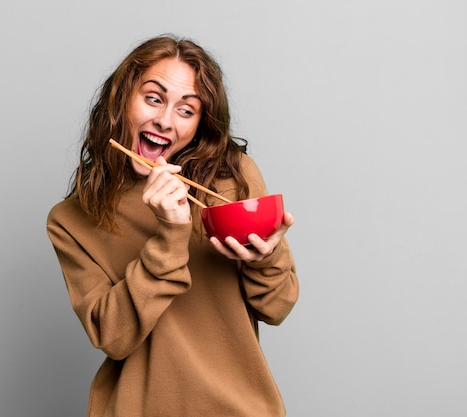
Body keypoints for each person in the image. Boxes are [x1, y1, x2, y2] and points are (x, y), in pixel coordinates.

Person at [46, 34, 299, 417]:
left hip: (241, 408)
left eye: (186, 110)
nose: (164, 120)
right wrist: (169, 236)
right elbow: (112, 337)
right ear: (122, 99)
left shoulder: (232, 178)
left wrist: (266, 257)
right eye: (153, 98)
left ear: (200, 123)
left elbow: (278, 306)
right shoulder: (71, 219)